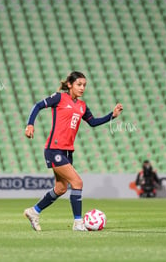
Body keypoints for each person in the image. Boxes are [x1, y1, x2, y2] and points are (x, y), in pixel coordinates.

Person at [23, 71, 123, 231]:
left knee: (61, 188)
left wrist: (112, 115)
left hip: (68, 152)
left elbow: (93, 122)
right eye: (79, 84)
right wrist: (30, 124)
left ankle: (34, 212)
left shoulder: (82, 106)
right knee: (77, 182)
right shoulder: (59, 98)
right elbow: (38, 105)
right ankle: (78, 223)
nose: (82, 88)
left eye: (84, 85)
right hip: (54, 149)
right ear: (70, 84)